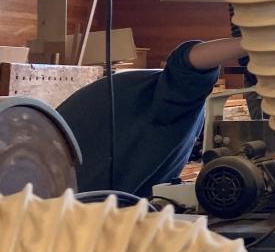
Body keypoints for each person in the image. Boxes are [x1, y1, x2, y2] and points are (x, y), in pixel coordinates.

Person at [57, 37, 246, 197]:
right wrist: (256, 41)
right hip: (67, 194)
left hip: (64, 188)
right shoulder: (174, 99)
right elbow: (187, 61)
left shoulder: (175, 112)